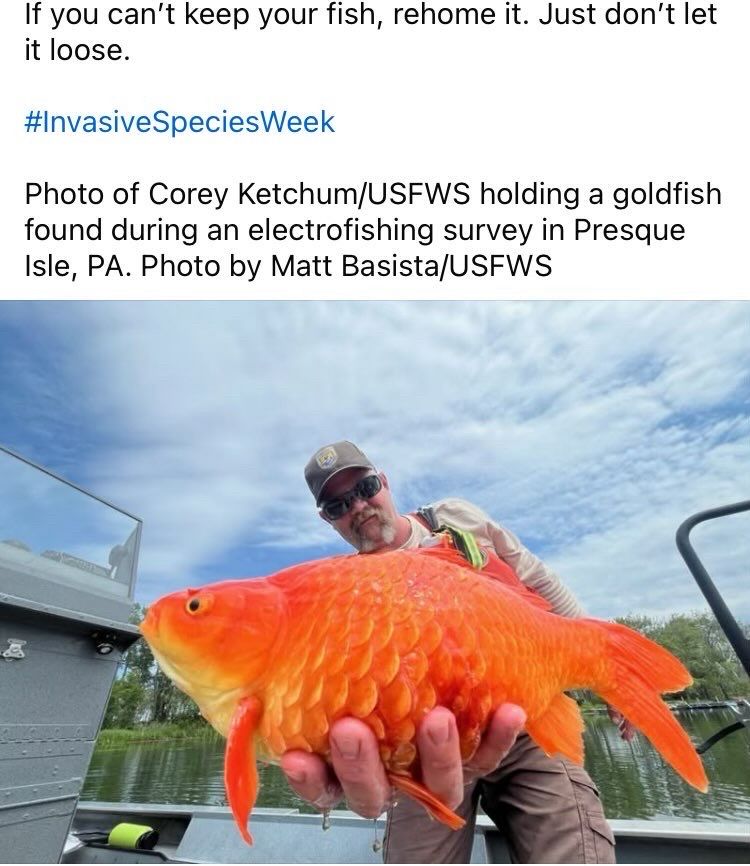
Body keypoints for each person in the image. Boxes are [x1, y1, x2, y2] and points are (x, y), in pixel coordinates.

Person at [281, 440, 622, 863]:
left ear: (384, 481)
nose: (359, 506)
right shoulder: (346, 593)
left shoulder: (456, 518)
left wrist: (607, 668)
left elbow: (538, 579)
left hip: (526, 723)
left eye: (366, 488)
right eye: (339, 505)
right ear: (328, 519)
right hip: (424, 753)